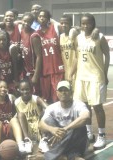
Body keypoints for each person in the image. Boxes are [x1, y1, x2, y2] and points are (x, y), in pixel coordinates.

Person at [71, 13, 110, 150]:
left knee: (97, 107)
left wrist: (104, 74)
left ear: (93, 23)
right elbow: (76, 57)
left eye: (88, 23)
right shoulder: (78, 38)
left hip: (95, 77)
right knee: (84, 107)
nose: (85, 26)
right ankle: (89, 133)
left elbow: (107, 55)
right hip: (81, 77)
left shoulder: (99, 37)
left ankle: (102, 135)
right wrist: (71, 74)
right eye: (83, 23)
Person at [39, 81, 90, 160]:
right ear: (57, 93)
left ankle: (49, 156)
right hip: (59, 140)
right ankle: (66, 156)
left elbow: (86, 117)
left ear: (71, 92)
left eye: (66, 90)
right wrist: (52, 129)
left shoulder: (79, 105)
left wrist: (66, 129)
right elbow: (40, 125)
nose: (63, 92)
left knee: (80, 127)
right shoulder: (52, 107)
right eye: (61, 90)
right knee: (47, 120)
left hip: (75, 142)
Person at [33, 10, 64, 103]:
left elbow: (70, 29)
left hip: (58, 70)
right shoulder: (35, 34)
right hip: (45, 71)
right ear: (37, 19)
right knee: (47, 98)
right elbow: (38, 56)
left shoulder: (55, 28)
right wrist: (36, 74)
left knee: (58, 97)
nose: (42, 18)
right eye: (40, 16)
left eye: (44, 16)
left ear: (48, 19)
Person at [0, 81, 25, 154]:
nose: (3, 89)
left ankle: (20, 145)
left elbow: (20, 102)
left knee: (14, 120)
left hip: (9, 129)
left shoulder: (11, 97)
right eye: (0, 87)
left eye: (5, 87)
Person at [15, 79, 48, 153]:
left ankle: (44, 140)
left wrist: (44, 109)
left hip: (39, 126)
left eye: (27, 89)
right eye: (22, 90)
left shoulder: (36, 98)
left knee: (45, 113)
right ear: (19, 90)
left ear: (31, 89)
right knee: (20, 114)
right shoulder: (16, 102)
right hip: (26, 129)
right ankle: (27, 140)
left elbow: (48, 108)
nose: (25, 92)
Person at [19, 12, 42, 95]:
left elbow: (39, 56)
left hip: (33, 71)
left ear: (32, 23)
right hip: (25, 69)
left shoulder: (34, 36)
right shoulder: (21, 32)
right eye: (24, 21)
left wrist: (36, 75)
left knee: (34, 94)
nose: (26, 23)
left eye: (29, 22)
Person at [0, 30, 18, 95]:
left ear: (7, 39)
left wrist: (16, 81)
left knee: (13, 94)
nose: (1, 42)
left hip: (12, 76)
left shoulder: (12, 48)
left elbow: (15, 66)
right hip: (1, 76)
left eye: (4, 40)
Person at [59, 14, 77, 88]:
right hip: (66, 70)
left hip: (76, 70)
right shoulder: (60, 36)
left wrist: (72, 73)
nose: (63, 25)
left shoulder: (75, 36)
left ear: (70, 24)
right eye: (62, 23)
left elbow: (77, 56)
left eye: (66, 23)